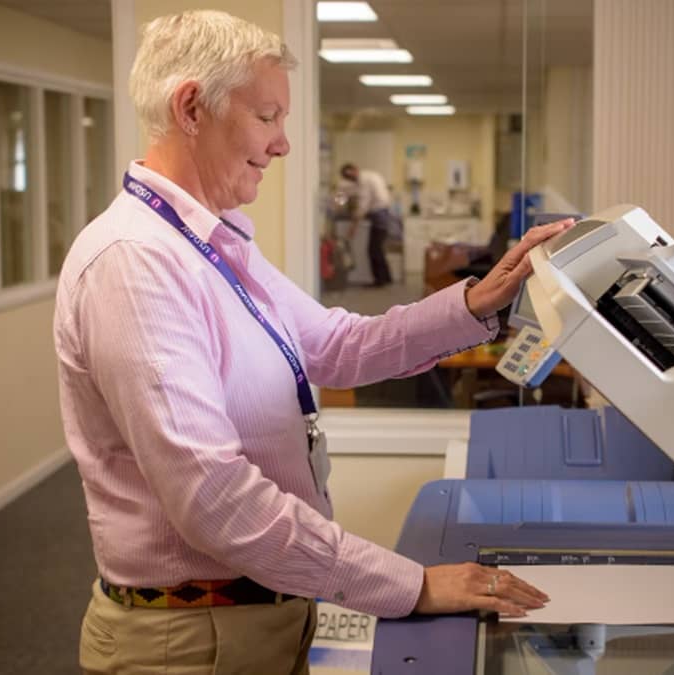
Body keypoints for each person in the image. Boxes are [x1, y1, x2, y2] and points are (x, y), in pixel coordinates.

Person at [53, 10, 570, 675]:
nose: (283, 144)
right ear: (190, 107)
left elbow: (341, 345)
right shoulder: (136, 263)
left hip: (260, 615)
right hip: (188, 642)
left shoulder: (215, 243)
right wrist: (408, 583)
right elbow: (214, 497)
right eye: (268, 116)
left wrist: (477, 300)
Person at [340, 162, 395, 286]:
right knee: (378, 248)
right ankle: (387, 278)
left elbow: (363, 204)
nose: (351, 179)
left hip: (379, 214)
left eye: (350, 176)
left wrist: (353, 226)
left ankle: (380, 280)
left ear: (355, 169)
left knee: (374, 249)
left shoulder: (364, 180)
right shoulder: (369, 176)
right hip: (383, 212)